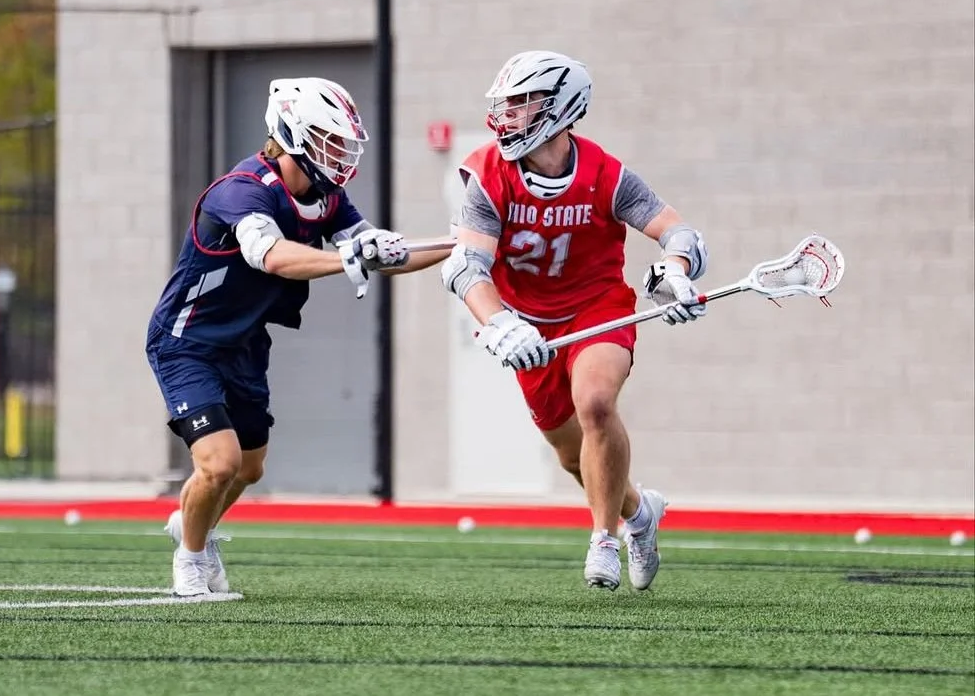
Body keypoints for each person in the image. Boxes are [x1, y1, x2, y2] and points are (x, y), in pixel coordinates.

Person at [151, 77, 449, 600]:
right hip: (187, 341)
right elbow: (272, 256)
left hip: (244, 343)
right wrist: (347, 257)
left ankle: (193, 522)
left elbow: (384, 255)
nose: (339, 153)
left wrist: (463, 244)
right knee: (219, 462)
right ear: (292, 133)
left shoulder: (327, 198)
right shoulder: (241, 190)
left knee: (248, 468)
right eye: (328, 140)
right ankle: (192, 557)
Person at [441, 50, 709, 591]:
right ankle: (640, 514)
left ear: (561, 106)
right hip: (527, 323)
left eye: (523, 102)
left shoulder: (605, 174)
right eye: (507, 103)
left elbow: (678, 232)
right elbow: (466, 268)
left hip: (596, 307)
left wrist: (677, 271)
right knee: (572, 456)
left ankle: (604, 540)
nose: (508, 114)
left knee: (596, 403)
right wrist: (499, 323)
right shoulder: (488, 176)